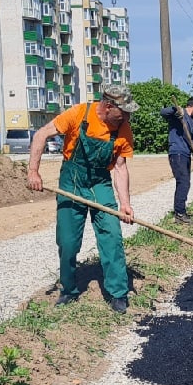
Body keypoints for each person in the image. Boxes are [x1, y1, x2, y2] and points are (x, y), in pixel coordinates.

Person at [27, 84, 138, 313]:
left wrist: (125, 204)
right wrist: (33, 171)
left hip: (100, 183)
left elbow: (120, 167)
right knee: (67, 242)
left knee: (112, 235)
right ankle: (68, 289)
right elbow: (40, 135)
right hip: (72, 180)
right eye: (123, 112)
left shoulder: (123, 128)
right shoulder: (79, 114)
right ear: (108, 106)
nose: (126, 117)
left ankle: (118, 293)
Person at [160, 95, 193, 224]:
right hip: (177, 153)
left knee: (186, 182)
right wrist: (176, 109)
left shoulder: (192, 121)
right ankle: (179, 214)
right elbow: (162, 112)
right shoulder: (179, 113)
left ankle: (181, 211)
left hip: (186, 154)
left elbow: (192, 139)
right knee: (183, 182)